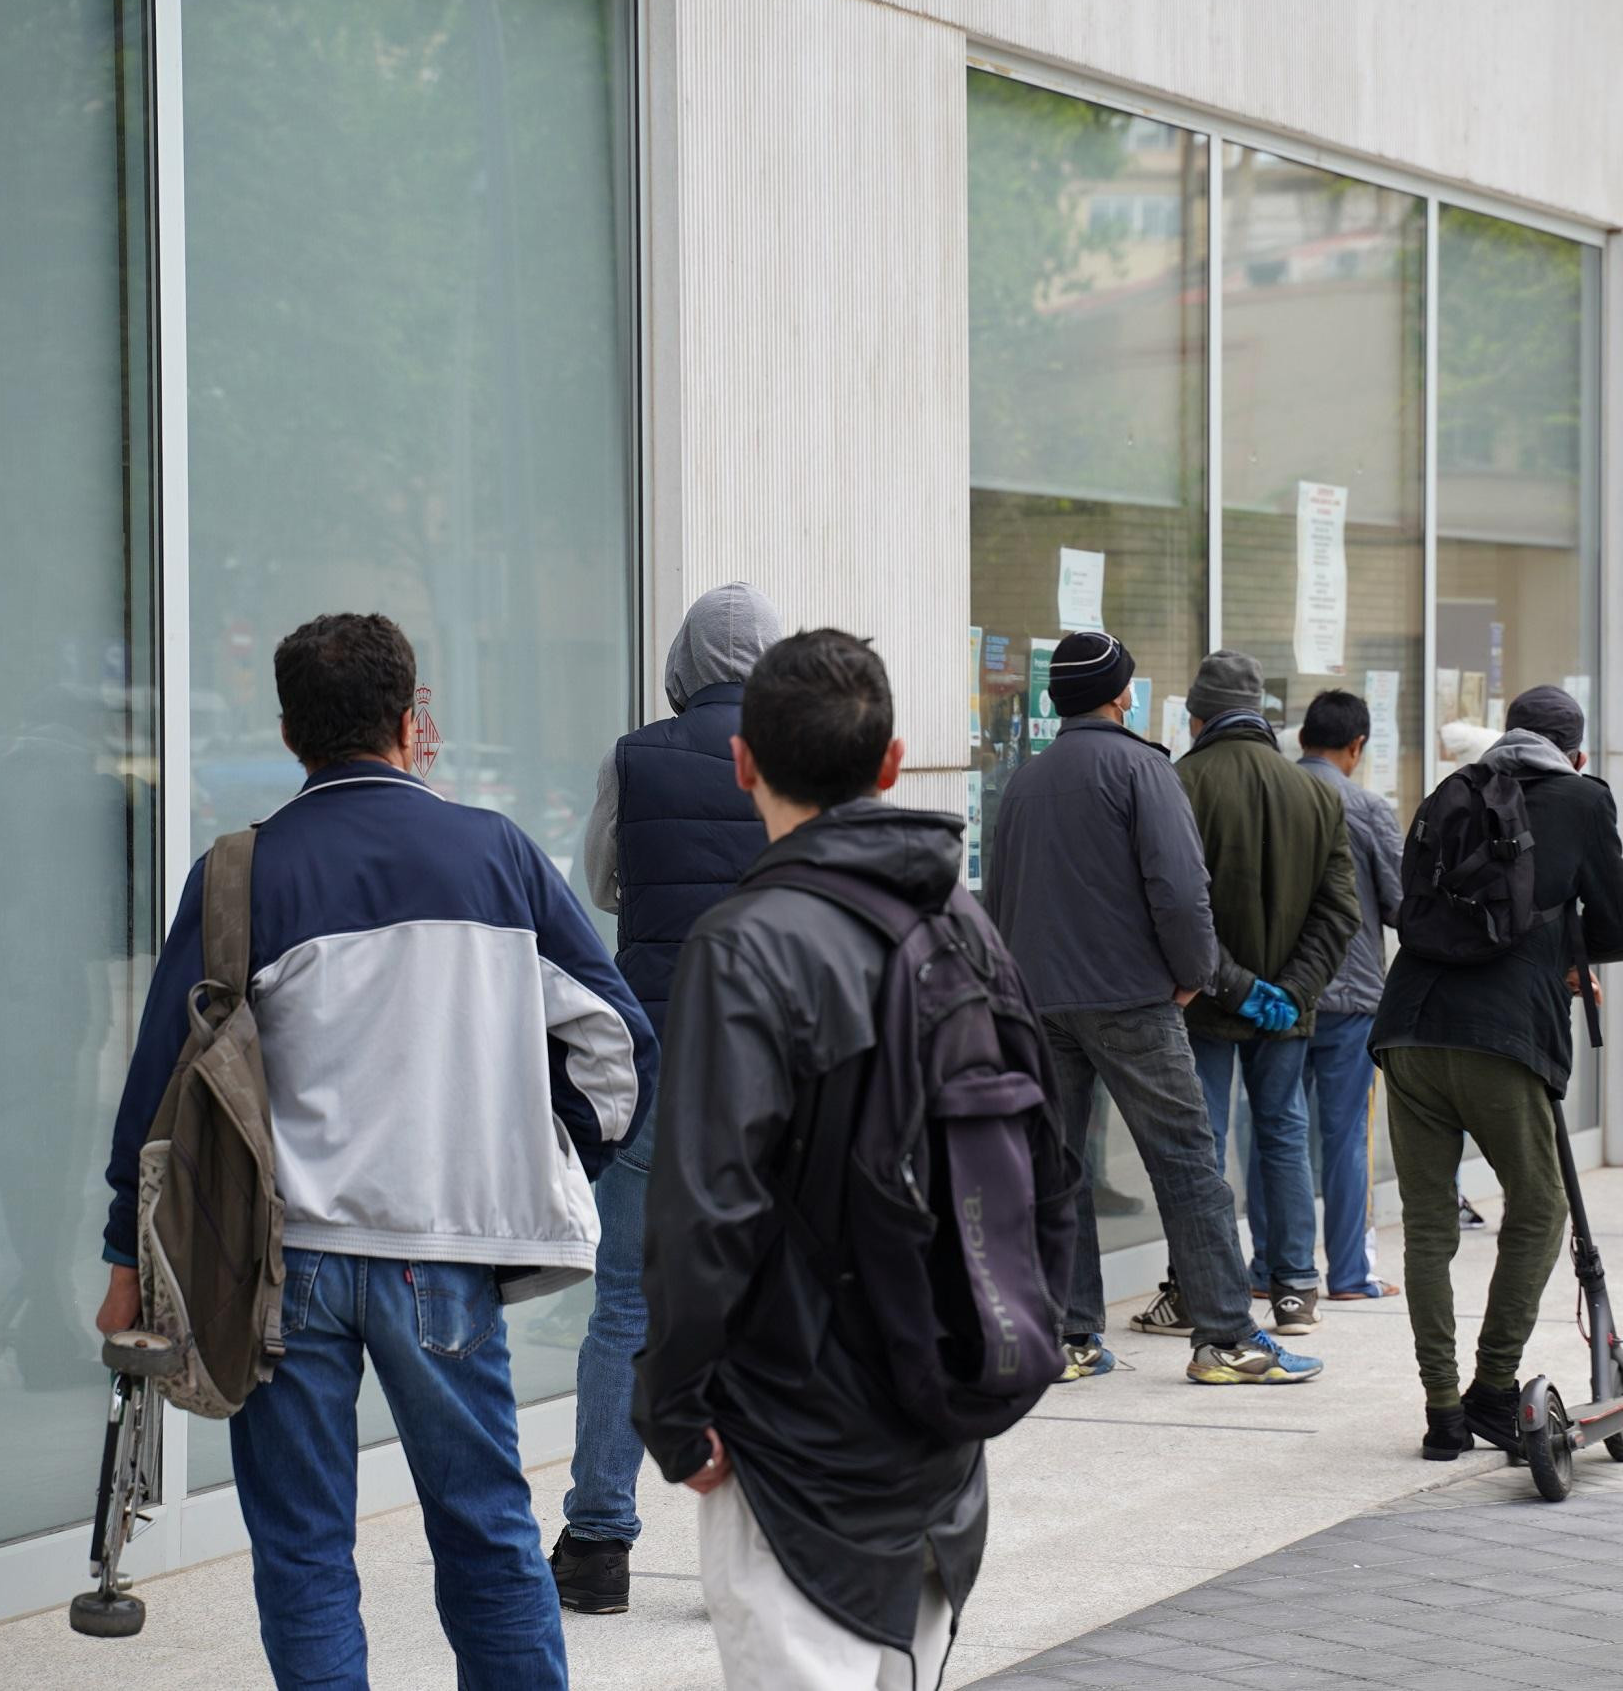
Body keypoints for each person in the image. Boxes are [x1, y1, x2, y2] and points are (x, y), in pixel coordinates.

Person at [96, 613, 655, 1688]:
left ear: (291, 732)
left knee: (305, 1551)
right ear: (413, 723)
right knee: (486, 1532)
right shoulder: (498, 856)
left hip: (280, 1264)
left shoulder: (235, 872)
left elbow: (157, 1099)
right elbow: (618, 1045)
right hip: (441, 1256)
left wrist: (127, 1262)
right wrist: (539, 1162)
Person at [634, 629, 994, 1689]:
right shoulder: (967, 927)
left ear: (743, 761)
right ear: (890, 765)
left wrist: (671, 1407)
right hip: (939, 1424)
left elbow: (707, 1208)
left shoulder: (746, 944)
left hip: (790, 1444)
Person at [982, 631, 1323, 1387]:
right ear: (1120, 695)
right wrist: (1194, 975)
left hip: (1041, 1003)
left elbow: (997, 897)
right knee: (1189, 1167)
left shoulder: (1025, 782)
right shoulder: (1141, 767)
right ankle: (1227, 1339)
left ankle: (1070, 1337)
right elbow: (1180, 888)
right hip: (1131, 998)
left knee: (1058, 1169)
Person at [549, 582, 779, 1615]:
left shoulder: (631, 757)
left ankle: (597, 1544)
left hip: (653, 1059)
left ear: (680, 668)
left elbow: (602, 881)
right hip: (766, 1068)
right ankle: (750, 1554)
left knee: (627, 1307)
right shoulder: (796, 757)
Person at [1372, 687, 1623, 1459]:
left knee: (1427, 1225)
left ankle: (1441, 1415)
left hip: (1409, 1027)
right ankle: (1492, 1389)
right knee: (1539, 1206)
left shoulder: (1451, 791)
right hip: (1503, 1035)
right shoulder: (1584, 799)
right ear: (1574, 753)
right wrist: (1562, 946)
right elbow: (1619, 921)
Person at [1175, 650, 1361, 1336]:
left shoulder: (1181, 783)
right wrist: (1291, 990)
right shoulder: (1315, 793)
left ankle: (1200, 1290)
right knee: (1283, 1133)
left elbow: (1176, 910)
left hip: (1202, 1001)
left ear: (1198, 715)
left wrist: (1235, 986)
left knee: (1201, 1139)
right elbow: (1340, 911)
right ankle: (1294, 1289)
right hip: (1288, 1006)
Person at [1294, 689, 1404, 1300]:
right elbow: (1401, 904)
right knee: (1345, 1139)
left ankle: (1273, 1270)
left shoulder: (1276, 794)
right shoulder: (1365, 807)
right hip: (1352, 996)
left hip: (1281, 995)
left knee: (1276, 1132)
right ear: (1356, 746)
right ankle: (1349, 1274)